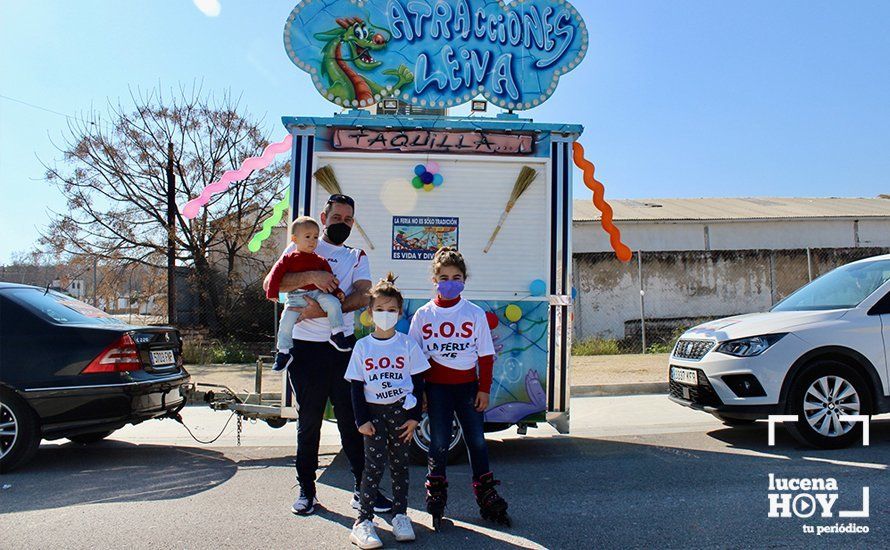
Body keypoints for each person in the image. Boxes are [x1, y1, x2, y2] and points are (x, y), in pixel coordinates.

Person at [263, 194, 391, 516]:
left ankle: (365, 491)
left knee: (353, 423)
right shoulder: (302, 245)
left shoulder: (357, 255)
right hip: (305, 351)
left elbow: (363, 294)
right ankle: (307, 491)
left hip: (342, 348)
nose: (343, 225)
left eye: (348, 220)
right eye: (337, 218)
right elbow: (271, 283)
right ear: (324, 217)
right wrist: (311, 277)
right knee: (309, 425)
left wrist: (319, 311)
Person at [408, 247, 511, 529]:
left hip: (468, 387)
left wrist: (484, 389)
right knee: (439, 442)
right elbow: (415, 359)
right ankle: (436, 492)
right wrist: (422, 394)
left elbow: (485, 356)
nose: (450, 282)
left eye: (456, 277)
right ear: (434, 280)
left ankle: (486, 494)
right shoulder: (423, 315)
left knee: (477, 441)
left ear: (464, 279)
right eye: (444, 277)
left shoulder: (474, 313)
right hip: (437, 389)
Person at [345, 273, 428, 548]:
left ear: (399, 312)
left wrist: (415, 418)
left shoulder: (407, 344)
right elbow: (356, 387)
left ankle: (400, 515)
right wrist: (361, 420)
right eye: (379, 309)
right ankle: (363, 521)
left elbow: (418, 383)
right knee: (373, 468)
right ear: (370, 312)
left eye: (391, 310)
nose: (385, 314)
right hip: (374, 415)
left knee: (400, 467)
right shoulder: (362, 346)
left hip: (400, 416)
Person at [265, 216, 352, 373]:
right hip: (295, 298)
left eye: (315, 237)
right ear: (294, 239)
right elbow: (275, 276)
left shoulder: (320, 260)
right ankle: (284, 353)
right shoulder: (288, 258)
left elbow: (331, 280)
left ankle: (337, 333)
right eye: (307, 237)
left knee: (333, 304)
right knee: (285, 323)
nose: (312, 241)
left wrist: (338, 292)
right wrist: (272, 292)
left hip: (318, 294)